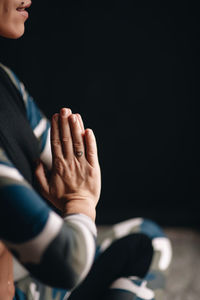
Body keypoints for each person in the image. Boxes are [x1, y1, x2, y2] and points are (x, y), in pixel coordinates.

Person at [0, 1, 172, 299]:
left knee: (146, 238)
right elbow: (70, 263)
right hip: (58, 266)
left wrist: (71, 187)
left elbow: (62, 164)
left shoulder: (6, 82)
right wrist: (80, 202)